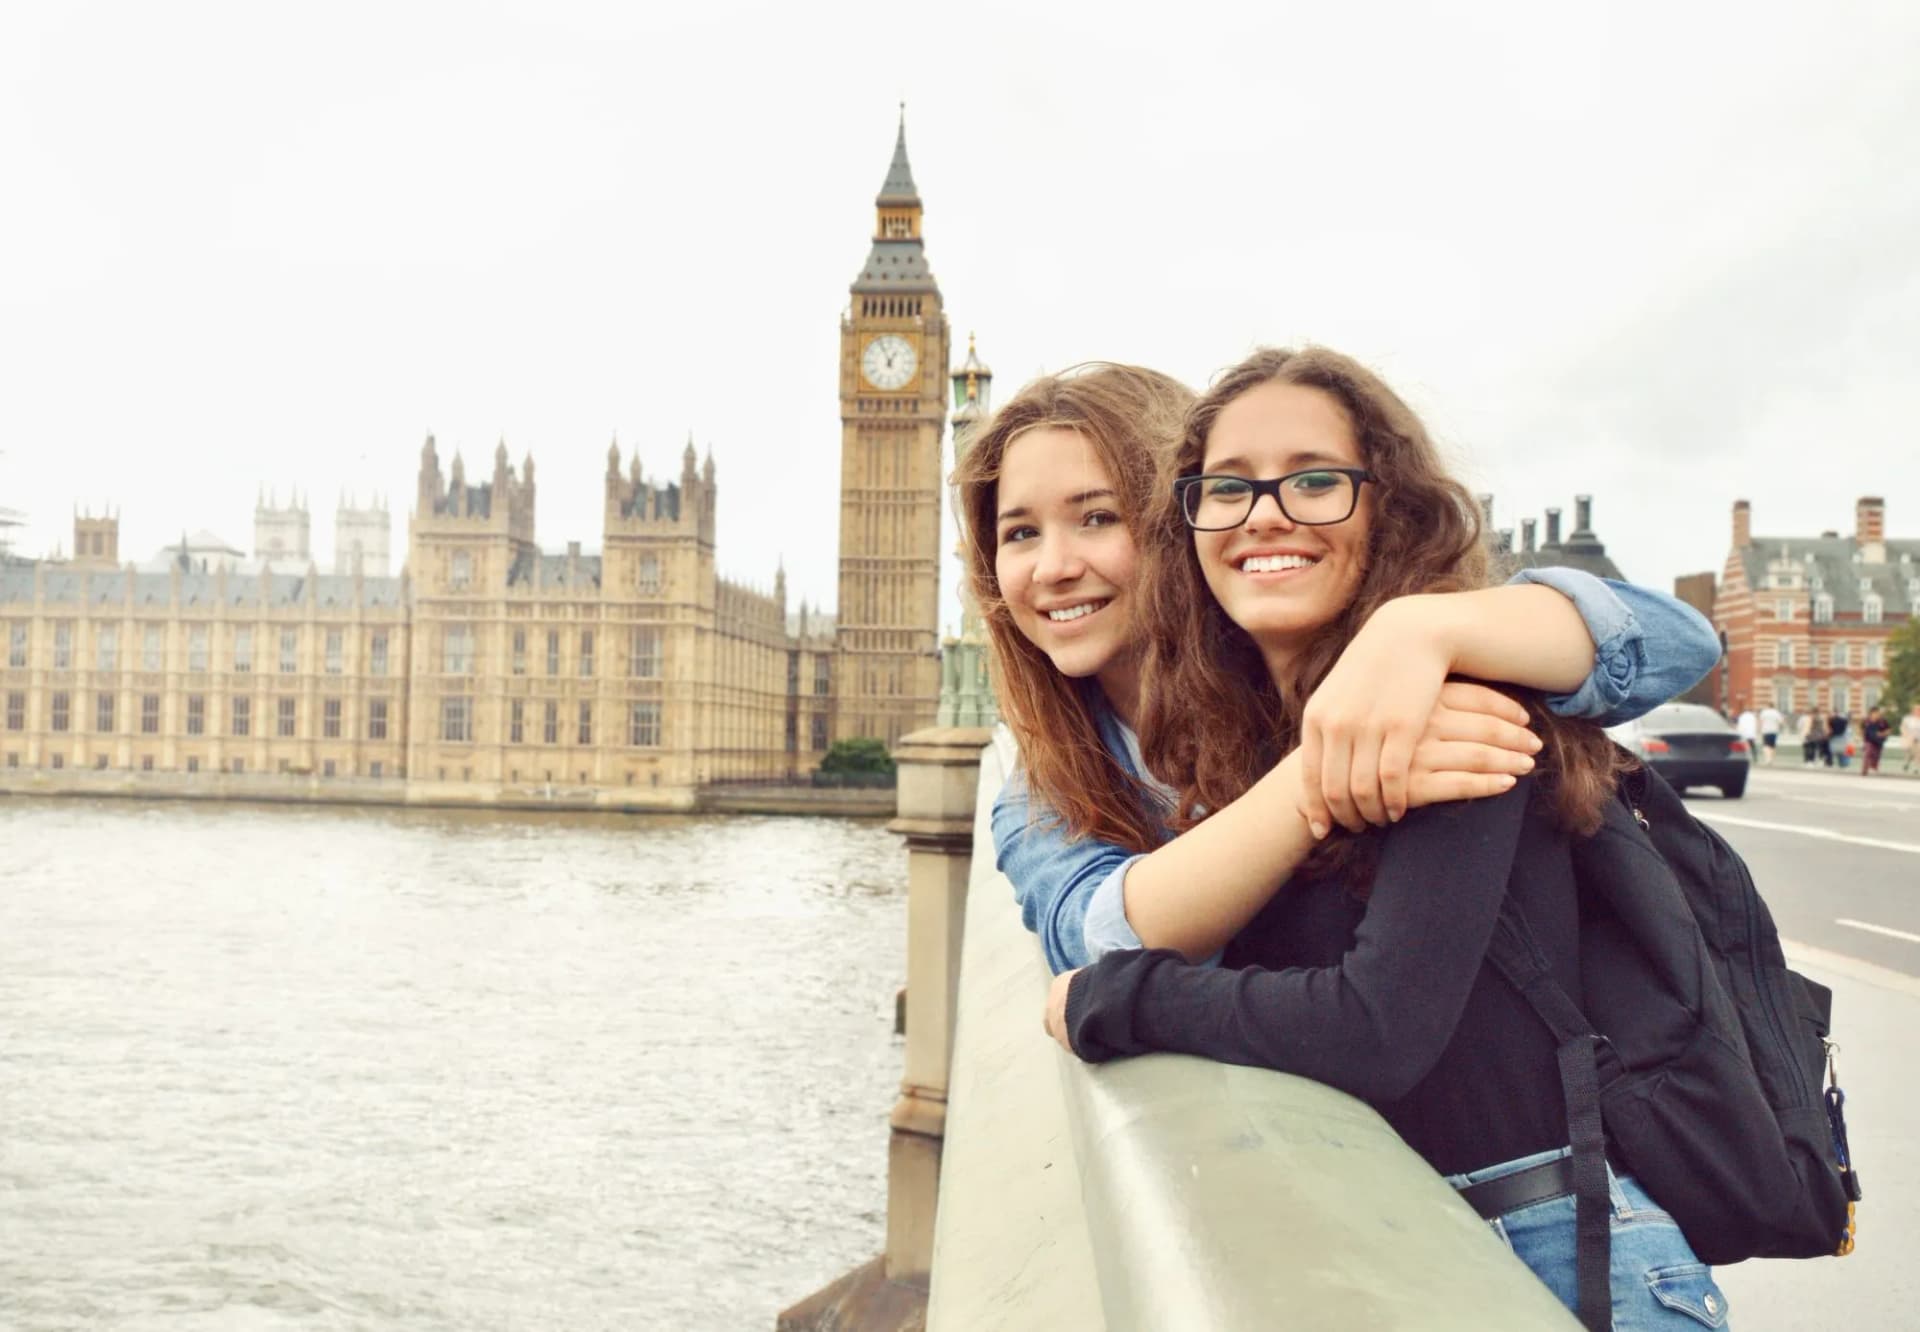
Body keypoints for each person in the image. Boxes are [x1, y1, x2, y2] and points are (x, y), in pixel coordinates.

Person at [1043, 347, 1726, 1326]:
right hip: (1407, 1254)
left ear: (1389, 508)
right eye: (1225, 489)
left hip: (1560, 1272)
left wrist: (1116, 996)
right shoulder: (1262, 744)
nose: (1264, 513)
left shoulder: (1453, 705)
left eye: (1314, 481)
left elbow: (1377, 1030)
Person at [962, 364, 1725, 974]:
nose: (1054, 566)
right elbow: (1099, 942)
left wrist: (1421, 630)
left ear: (1182, 520)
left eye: (1098, 517)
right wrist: (1322, 773)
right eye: (1020, 532)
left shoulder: (1318, 657)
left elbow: (1677, 643)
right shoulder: (1047, 783)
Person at [1860, 707, 1891, 776]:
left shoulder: (1882, 721)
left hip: (1878, 742)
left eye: (1877, 713)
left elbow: (1889, 730)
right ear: (1871, 713)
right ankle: (1864, 770)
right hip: (1868, 741)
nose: (1876, 715)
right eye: (1875, 713)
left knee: (1876, 756)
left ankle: (1874, 766)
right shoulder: (1866, 721)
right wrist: (1862, 737)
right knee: (1867, 753)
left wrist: (1882, 734)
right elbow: (1861, 729)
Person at [1903, 704, 1920, 773]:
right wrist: (1906, 735)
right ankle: (1907, 762)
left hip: (1919, 739)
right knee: (1910, 752)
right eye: (1916, 710)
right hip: (1910, 738)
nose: (1918, 712)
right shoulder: (1908, 719)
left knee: (1918, 753)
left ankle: (1916, 768)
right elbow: (1903, 728)